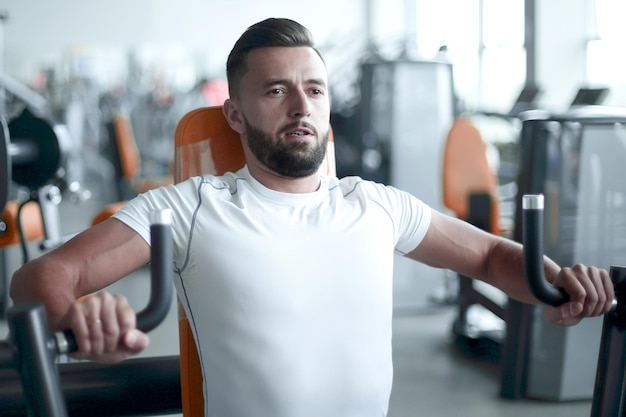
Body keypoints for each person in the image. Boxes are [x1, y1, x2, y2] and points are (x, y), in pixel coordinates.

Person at [10, 18, 614, 417]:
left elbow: (487, 256)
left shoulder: (377, 204)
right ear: (236, 115)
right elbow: (40, 278)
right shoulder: (189, 207)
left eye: (315, 90)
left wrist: (561, 283)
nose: (302, 106)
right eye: (276, 91)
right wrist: (80, 313)